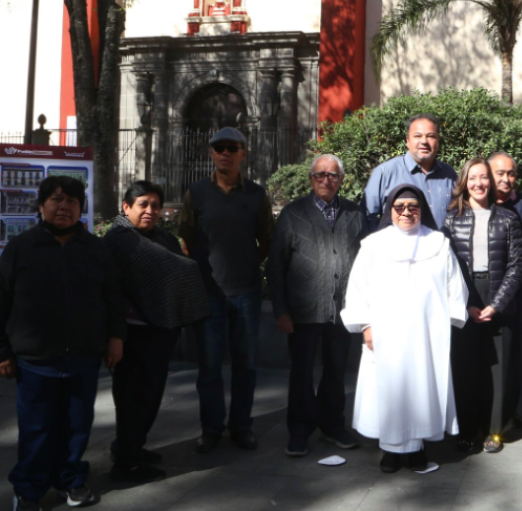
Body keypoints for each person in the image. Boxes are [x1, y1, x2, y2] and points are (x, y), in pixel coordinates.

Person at [0, 176, 127, 511]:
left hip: (83, 356)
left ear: (81, 208)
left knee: (77, 424)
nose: (64, 206)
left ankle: (71, 481)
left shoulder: (96, 249)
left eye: (73, 201)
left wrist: (115, 338)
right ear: (41, 206)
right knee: (37, 428)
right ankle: (28, 491)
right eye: (56, 200)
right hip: (35, 360)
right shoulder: (21, 248)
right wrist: (1, 351)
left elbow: (113, 299)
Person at [341, 184, 468, 473]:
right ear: (390, 211)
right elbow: (359, 288)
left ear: (422, 210)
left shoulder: (438, 243)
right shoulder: (374, 245)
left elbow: (453, 286)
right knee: (389, 388)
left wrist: (445, 324)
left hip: (426, 334)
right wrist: (366, 326)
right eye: (400, 208)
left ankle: (417, 449)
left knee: (422, 389)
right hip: (386, 333)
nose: (407, 212)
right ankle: (391, 450)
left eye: (413, 207)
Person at [104, 181, 210, 483]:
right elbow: (181, 269)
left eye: (154, 205)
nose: (150, 211)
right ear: (127, 207)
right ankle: (125, 464)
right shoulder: (119, 239)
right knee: (131, 399)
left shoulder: (162, 237)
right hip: (130, 335)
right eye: (142, 205)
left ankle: (132, 447)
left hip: (161, 328)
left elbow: (176, 270)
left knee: (150, 395)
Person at [178, 127, 275, 453]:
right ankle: (211, 429)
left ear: (243, 153)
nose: (225, 153)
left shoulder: (257, 195)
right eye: (219, 147)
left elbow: (267, 242)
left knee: (246, 366)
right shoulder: (196, 193)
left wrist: (246, 265)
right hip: (209, 293)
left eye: (232, 148)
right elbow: (187, 241)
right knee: (209, 367)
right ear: (211, 153)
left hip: (245, 293)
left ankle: (241, 427)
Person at [267, 154, 368, 458]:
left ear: (342, 180)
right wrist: (281, 310)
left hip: (342, 312)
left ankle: (333, 425)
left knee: (336, 371)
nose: (326, 180)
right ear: (311, 179)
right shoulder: (293, 214)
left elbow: (366, 264)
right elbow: (275, 266)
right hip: (302, 313)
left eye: (333, 175)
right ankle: (299, 431)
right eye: (320, 175)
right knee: (301, 373)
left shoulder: (354, 214)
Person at [443, 158, 522, 453]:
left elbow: (516, 266)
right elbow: (447, 268)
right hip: (465, 296)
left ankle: (494, 430)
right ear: (464, 182)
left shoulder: (508, 218)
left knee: (498, 369)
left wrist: (497, 305)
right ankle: (467, 428)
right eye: (473, 178)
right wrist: (465, 305)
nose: (479, 183)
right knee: (466, 368)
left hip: (499, 295)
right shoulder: (451, 219)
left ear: (491, 182)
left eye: (484, 178)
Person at [488, 151, 522, 426]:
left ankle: (506, 415)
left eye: (511, 173)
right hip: (478, 295)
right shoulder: (476, 202)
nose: (507, 179)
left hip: (512, 296)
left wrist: (505, 292)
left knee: (509, 359)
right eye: (500, 173)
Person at [362, 113, 457, 231]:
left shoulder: (449, 175)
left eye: (430, 136)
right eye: (417, 136)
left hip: (441, 248)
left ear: (438, 140)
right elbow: (366, 218)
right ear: (408, 140)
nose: (424, 141)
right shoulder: (385, 173)